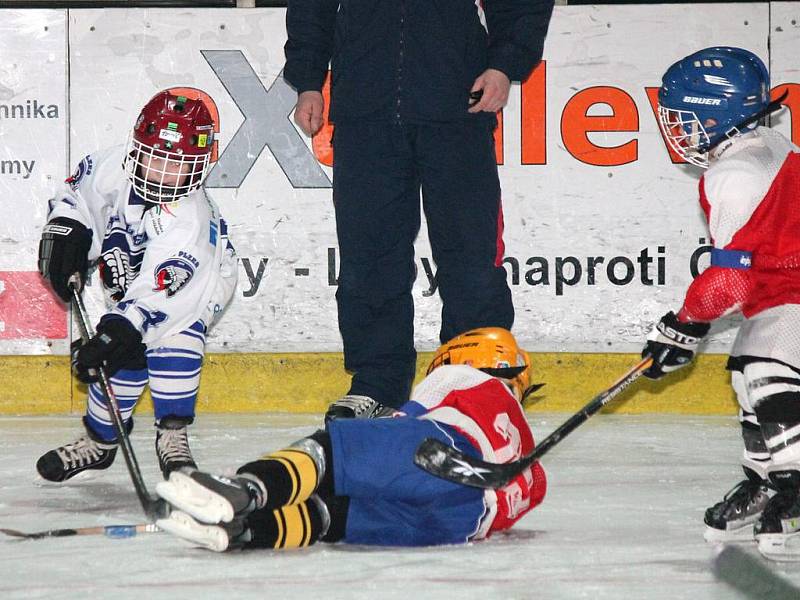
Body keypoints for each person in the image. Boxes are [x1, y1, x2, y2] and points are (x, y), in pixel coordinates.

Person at [283, 0, 555, 420]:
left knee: (470, 256)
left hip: (458, 109)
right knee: (369, 257)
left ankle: (476, 381)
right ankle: (377, 384)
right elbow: (311, 7)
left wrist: (504, 64)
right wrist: (308, 80)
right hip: (364, 113)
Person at [154, 328, 546, 552]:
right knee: (332, 517)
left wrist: (389, 427)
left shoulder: (466, 377)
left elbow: (416, 409)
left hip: (443, 451)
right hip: (461, 523)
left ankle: (246, 491)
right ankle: (245, 531)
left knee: (331, 453)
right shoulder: (532, 464)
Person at [641, 46, 800, 561]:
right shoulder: (763, 142)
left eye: (684, 117)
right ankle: (767, 479)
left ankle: (796, 480)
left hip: (791, 290)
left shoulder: (734, 174)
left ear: (716, 112)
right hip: (783, 286)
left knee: (768, 370)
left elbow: (728, 284)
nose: (677, 129)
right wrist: (686, 331)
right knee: (743, 372)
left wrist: (681, 326)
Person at [36, 90, 238, 482]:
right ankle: (100, 441)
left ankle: (173, 435)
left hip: (195, 289)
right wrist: (69, 229)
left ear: (199, 167)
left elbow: (162, 296)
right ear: (137, 148)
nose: (163, 173)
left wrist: (121, 329)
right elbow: (79, 195)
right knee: (120, 364)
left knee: (171, 342)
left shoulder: (188, 220)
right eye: (155, 158)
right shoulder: (114, 167)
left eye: (177, 165)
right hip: (132, 283)